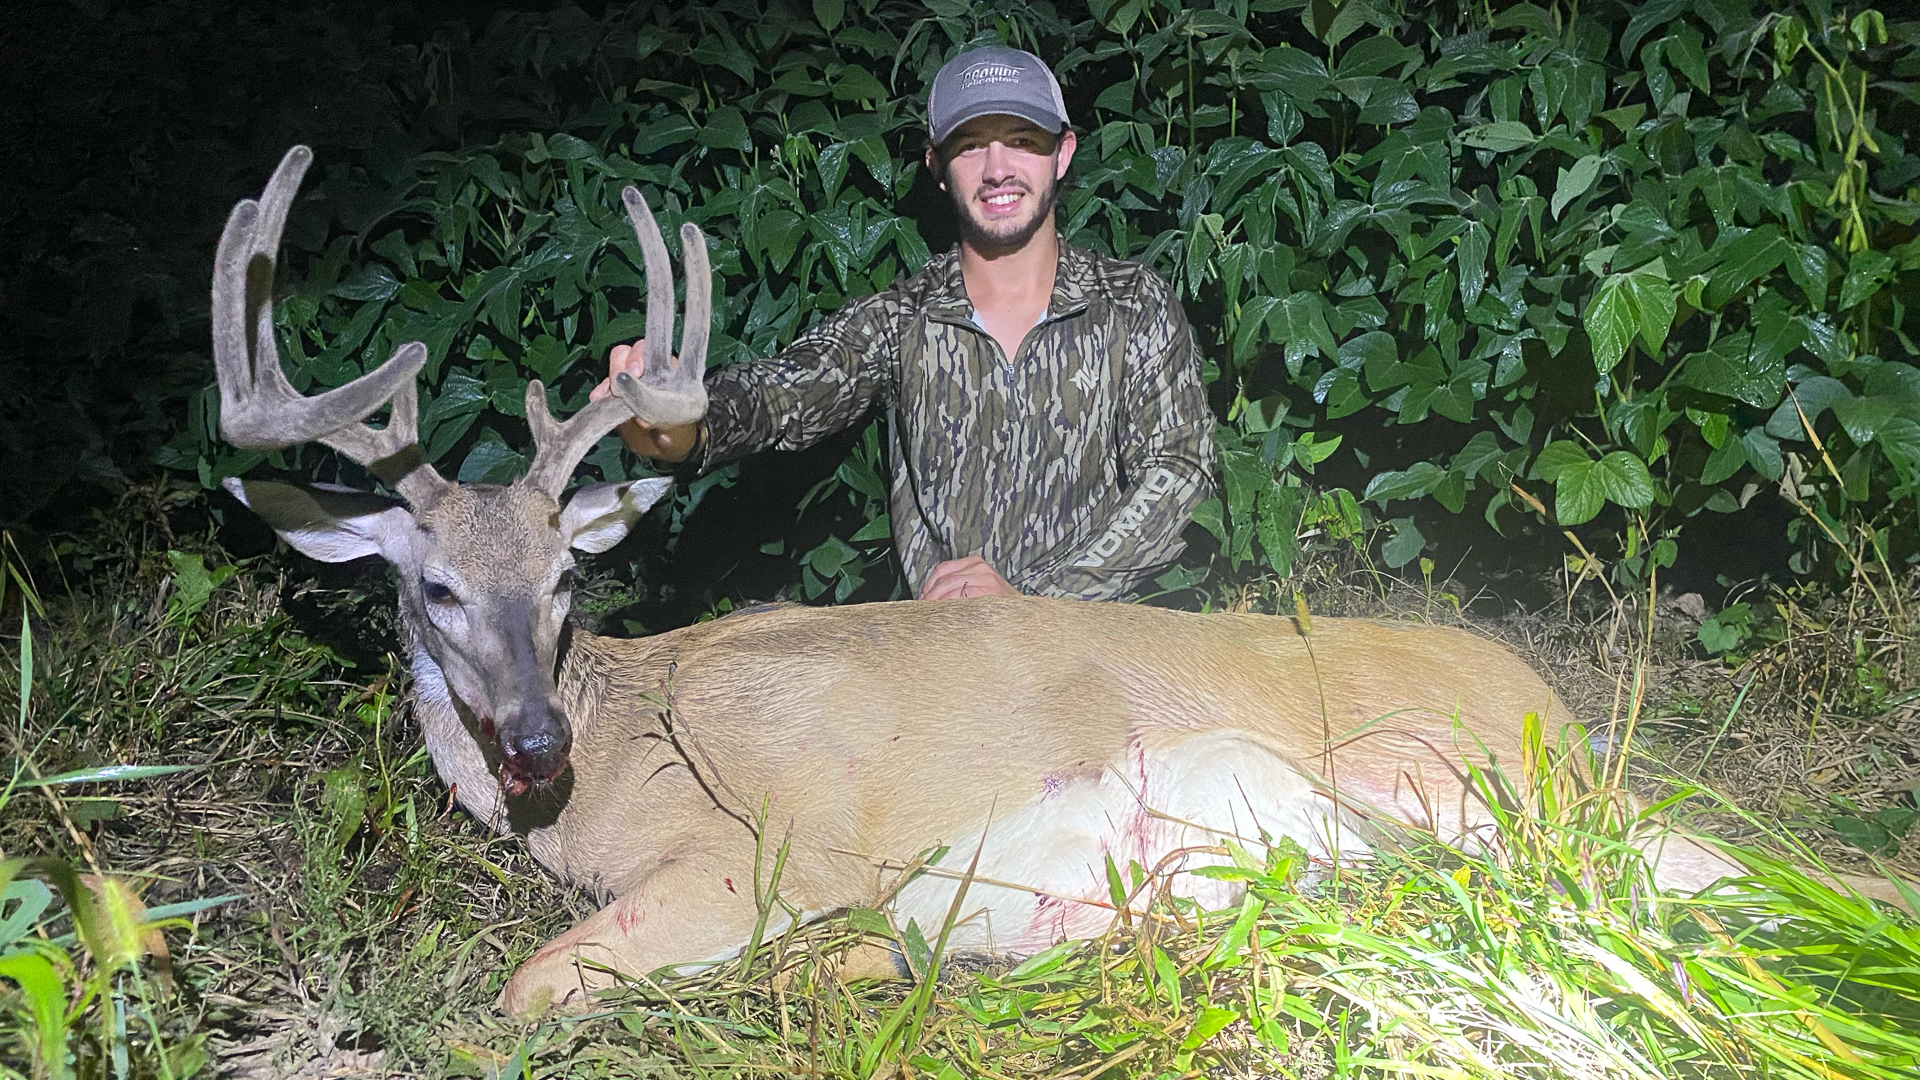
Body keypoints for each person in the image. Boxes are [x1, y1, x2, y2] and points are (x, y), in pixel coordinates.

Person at [593, 46, 1212, 601]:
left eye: (1023, 139)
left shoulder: (1132, 305)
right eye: (971, 145)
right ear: (938, 165)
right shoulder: (901, 320)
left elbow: (1181, 471)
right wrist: (688, 426)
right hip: (937, 668)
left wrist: (1037, 604)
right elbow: (782, 392)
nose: (997, 167)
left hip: (1095, 664)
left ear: (1063, 153)